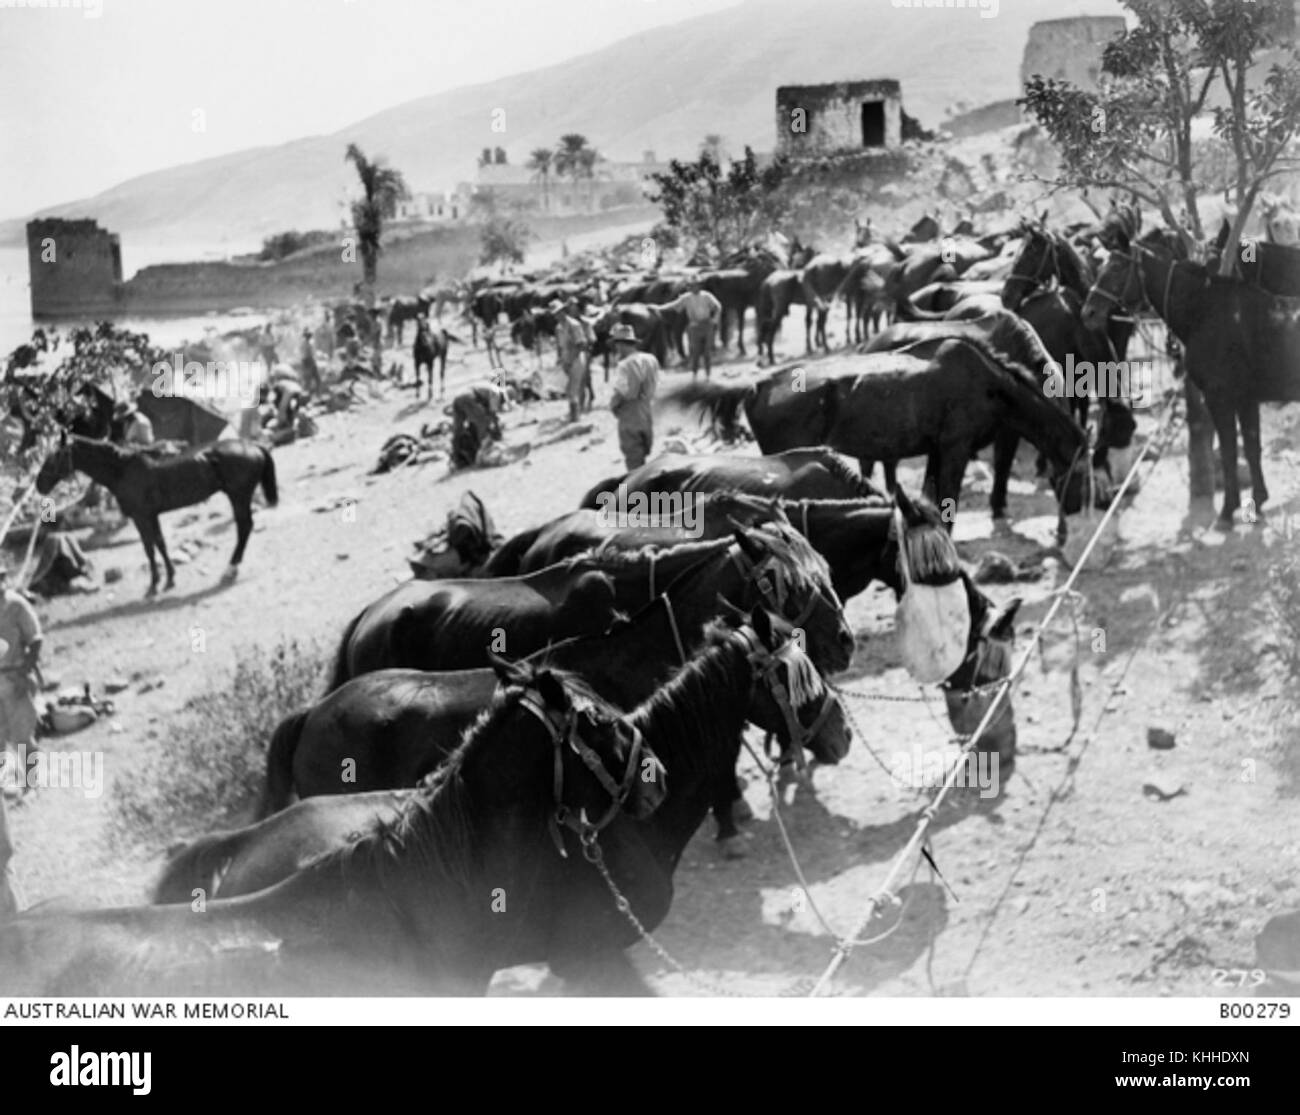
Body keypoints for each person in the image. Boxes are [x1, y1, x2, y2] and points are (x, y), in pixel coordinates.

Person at [0, 560, 42, 808]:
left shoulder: (15, 605)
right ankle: (6, 784)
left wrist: (25, 671)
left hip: (14, 676)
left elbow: (36, 639)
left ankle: (31, 786)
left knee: (22, 736)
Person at [608, 323, 660, 469]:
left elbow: (621, 392)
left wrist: (613, 406)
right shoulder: (651, 359)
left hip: (630, 412)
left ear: (620, 344)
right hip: (646, 410)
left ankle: (638, 490)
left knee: (633, 459)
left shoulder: (624, 365)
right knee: (643, 452)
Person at [661, 277, 722, 378]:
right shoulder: (686, 298)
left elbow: (718, 306)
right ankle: (695, 375)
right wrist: (659, 308)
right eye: (693, 285)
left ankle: (708, 375)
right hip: (694, 326)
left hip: (707, 324)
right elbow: (673, 305)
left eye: (697, 285)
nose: (695, 287)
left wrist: (714, 320)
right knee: (695, 352)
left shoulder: (706, 296)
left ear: (700, 286)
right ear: (690, 287)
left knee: (707, 352)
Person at [450, 383, 507, 470]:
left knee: (458, 431)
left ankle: (455, 459)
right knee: (482, 422)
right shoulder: (496, 393)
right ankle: (484, 451)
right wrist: (497, 432)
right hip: (467, 397)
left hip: (457, 398)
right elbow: (492, 415)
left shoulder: (487, 389)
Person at [553, 298, 593, 423]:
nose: (557, 316)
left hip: (576, 358)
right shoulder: (559, 327)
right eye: (555, 314)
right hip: (567, 359)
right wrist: (560, 359)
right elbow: (559, 345)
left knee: (573, 388)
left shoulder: (574, 325)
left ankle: (575, 416)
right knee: (570, 389)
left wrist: (570, 360)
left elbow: (581, 344)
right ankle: (574, 413)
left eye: (559, 312)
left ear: (563, 311)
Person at [299, 327, 321, 395]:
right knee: (309, 381)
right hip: (308, 362)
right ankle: (308, 396)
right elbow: (307, 354)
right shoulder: (305, 344)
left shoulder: (307, 343)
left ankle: (317, 395)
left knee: (316, 380)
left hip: (309, 361)